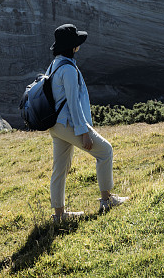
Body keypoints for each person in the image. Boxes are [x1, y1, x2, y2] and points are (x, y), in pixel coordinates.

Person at [46, 23, 128, 222]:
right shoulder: (69, 70)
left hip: (55, 125)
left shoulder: (54, 64)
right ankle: (107, 199)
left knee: (60, 168)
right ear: (72, 47)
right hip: (68, 123)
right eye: (77, 43)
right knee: (105, 151)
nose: (79, 46)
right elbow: (73, 104)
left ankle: (59, 216)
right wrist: (83, 131)